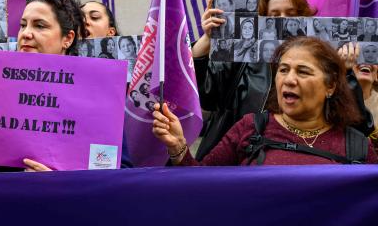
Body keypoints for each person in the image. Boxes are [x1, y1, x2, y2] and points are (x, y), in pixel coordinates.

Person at [192, 0, 374, 160]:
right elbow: (206, 96)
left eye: (291, 14)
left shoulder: (322, 69)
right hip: (239, 164)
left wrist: (345, 73)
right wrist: (207, 40)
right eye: (274, 16)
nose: (283, 21)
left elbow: (357, 127)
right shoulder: (241, 60)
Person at [154, 37, 378, 165]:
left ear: (330, 86)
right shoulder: (251, 127)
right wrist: (179, 147)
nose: (289, 80)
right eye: (283, 70)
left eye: (303, 72)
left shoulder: (357, 146)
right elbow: (202, 186)